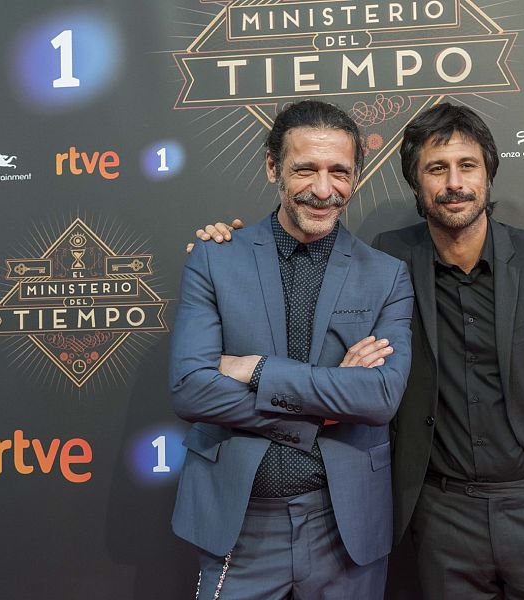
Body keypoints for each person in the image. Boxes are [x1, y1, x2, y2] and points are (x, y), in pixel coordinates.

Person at [195, 103, 524, 599]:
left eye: (468, 166)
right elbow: (291, 255)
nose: (454, 183)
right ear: (416, 184)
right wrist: (224, 246)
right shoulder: (386, 261)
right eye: (436, 169)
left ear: (489, 173)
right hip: (440, 515)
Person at [171, 100, 413, 600]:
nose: (323, 190)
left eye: (339, 172)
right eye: (305, 169)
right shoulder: (214, 258)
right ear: (272, 167)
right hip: (239, 522)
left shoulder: (387, 275)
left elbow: (380, 398)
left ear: (356, 177)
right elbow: (192, 390)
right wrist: (322, 411)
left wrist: (257, 370)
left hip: (344, 525)